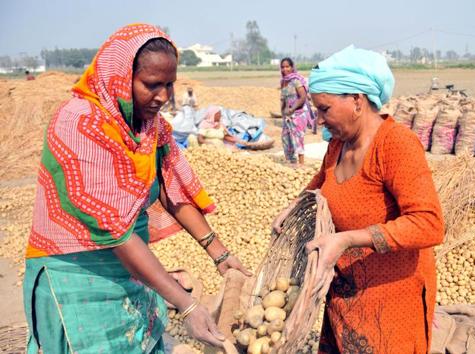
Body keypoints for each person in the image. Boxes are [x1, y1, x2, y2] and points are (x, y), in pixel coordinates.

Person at [22, 24, 250, 353]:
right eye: (152, 85)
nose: (163, 97)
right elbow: (115, 229)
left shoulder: (148, 126)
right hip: (76, 276)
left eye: (170, 84)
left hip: (128, 268)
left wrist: (220, 254)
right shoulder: (79, 124)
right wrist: (186, 306)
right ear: (121, 78)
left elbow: (172, 190)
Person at [272, 46, 445, 353]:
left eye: (324, 110)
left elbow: (428, 224)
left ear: (357, 101)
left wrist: (348, 239)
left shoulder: (395, 145)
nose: (319, 121)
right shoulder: (338, 145)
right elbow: (320, 184)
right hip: (344, 297)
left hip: (389, 303)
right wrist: (295, 207)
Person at [280, 57, 315, 166]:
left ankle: (301, 164)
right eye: (282, 67)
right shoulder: (283, 82)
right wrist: (283, 111)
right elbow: (284, 98)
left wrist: (292, 108)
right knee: (286, 137)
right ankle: (291, 162)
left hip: (298, 114)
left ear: (292, 67)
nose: (285, 69)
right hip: (288, 115)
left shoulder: (296, 80)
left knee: (298, 138)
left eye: (287, 66)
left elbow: (303, 97)